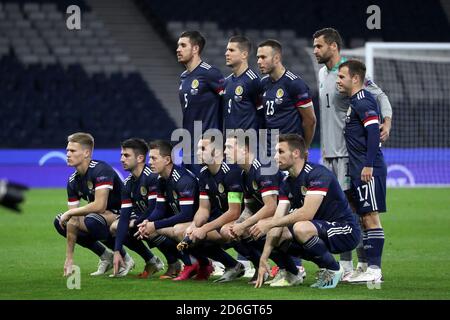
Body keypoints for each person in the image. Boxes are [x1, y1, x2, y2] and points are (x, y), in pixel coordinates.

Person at [312, 27, 392, 280]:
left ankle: (367, 265)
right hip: (328, 154)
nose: (315, 51)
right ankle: (347, 266)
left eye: (319, 46)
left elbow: (380, 97)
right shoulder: (324, 72)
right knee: (341, 211)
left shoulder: (350, 73)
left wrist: (386, 122)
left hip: (348, 154)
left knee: (359, 211)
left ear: (333, 46)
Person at [249, 134, 360, 289]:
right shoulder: (286, 183)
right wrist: (263, 258)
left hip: (345, 230)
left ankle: (333, 270)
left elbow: (306, 214)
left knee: (300, 227)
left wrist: (269, 223)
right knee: (272, 233)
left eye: (280, 152)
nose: (275, 157)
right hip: (317, 230)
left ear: (295, 154)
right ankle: (291, 273)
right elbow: (277, 222)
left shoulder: (317, 174)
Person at [224, 135, 302, 286]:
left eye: (229, 147)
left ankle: (292, 271)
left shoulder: (263, 169)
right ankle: (270, 269)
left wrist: (244, 225)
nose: (225, 151)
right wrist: (238, 225)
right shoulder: (243, 173)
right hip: (277, 216)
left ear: (244, 150)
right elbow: (250, 207)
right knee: (233, 231)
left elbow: (271, 206)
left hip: (291, 215)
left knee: (256, 229)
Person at [53, 132, 133, 277]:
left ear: (86, 153)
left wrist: (70, 212)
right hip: (102, 216)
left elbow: (99, 206)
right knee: (61, 222)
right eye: (67, 151)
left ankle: (125, 259)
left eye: (72, 151)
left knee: (92, 220)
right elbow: (73, 220)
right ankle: (105, 256)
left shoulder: (100, 169)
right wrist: (69, 259)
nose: (68, 154)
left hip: (124, 214)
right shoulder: (72, 180)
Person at [336, 59, 387, 283]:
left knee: (371, 216)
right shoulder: (354, 102)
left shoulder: (364, 101)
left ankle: (375, 270)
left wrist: (368, 164)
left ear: (355, 78)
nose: (338, 81)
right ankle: (365, 266)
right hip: (358, 169)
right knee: (362, 217)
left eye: (341, 77)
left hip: (369, 168)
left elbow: (374, 132)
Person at [137, 140, 212, 281]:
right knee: (149, 230)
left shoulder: (183, 179)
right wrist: (147, 221)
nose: (150, 162)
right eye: (149, 158)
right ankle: (202, 264)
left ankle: (192, 264)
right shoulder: (161, 180)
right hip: (185, 222)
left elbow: (186, 214)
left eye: (153, 158)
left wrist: (155, 225)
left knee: (174, 230)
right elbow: (159, 210)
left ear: (167, 160)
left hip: (198, 222)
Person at [177, 136, 247, 282]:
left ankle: (260, 266)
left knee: (224, 232)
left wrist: (204, 229)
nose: (197, 152)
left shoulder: (231, 173)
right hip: (220, 221)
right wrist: (194, 226)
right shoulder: (203, 174)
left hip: (241, 220)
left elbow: (234, 212)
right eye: (197, 149)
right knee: (188, 235)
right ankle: (233, 266)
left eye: (202, 149)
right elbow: (203, 209)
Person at [110, 138, 181, 278]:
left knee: (147, 228)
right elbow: (124, 215)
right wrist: (117, 250)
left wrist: (136, 223)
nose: (122, 159)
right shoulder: (128, 183)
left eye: (126, 155)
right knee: (116, 227)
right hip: (145, 219)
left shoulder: (152, 177)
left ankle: (178, 261)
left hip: (166, 218)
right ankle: (151, 261)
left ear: (140, 158)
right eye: (121, 155)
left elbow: (154, 208)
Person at [177, 30, 225, 175]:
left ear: (195, 48)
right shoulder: (183, 77)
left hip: (207, 146)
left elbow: (227, 106)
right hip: (188, 144)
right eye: (178, 45)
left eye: (183, 45)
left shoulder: (210, 73)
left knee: (209, 192)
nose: (178, 49)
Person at [257, 39, 316, 151]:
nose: (259, 61)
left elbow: (310, 121)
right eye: (258, 57)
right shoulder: (263, 83)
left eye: (263, 57)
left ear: (276, 58)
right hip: (268, 152)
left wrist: (304, 148)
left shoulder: (294, 84)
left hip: (289, 152)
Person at [223, 35, 263, 132]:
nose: (226, 53)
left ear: (244, 55)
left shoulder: (253, 80)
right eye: (227, 50)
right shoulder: (226, 82)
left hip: (247, 143)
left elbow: (262, 114)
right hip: (229, 143)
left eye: (231, 50)